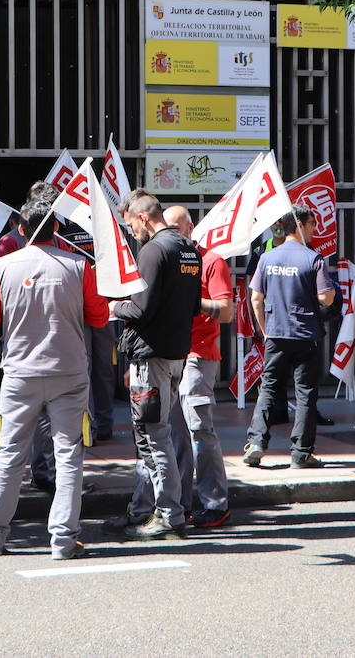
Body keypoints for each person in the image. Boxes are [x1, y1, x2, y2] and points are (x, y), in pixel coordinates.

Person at [0, 193, 108, 559]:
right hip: (69, 372)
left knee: (9, 454)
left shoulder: (2, 267)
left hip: (19, 375)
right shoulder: (80, 267)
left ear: (20, 228)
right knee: (68, 456)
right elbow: (99, 318)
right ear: (57, 228)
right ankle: (64, 540)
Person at [125, 206, 234, 528]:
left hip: (199, 356)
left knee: (199, 429)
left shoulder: (210, 261)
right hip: (169, 354)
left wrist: (188, 299)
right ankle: (175, 504)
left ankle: (215, 503)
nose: (173, 233)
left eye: (178, 228)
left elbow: (227, 312)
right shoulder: (162, 256)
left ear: (190, 228)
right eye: (168, 227)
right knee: (166, 433)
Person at [107, 190, 201, 541]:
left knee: (152, 435)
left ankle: (169, 514)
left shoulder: (153, 250)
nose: (132, 231)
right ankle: (151, 509)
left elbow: (140, 309)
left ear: (144, 218)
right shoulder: (188, 248)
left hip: (152, 355)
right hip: (177, 353)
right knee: (157, 431)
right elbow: (191, 307)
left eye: (131, 224)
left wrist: (114, 307)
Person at [242, 204, 336, 470]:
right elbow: (325, 298)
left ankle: (257, 442)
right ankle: (301, 453)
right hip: (306, 335)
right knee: (305, 393)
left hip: (276, 333)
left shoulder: (267, 258)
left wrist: (264, 329)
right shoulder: (313, 258)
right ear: (301, 226)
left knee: (269, 387)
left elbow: (256, 297)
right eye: (312, 224)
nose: (315, 229)